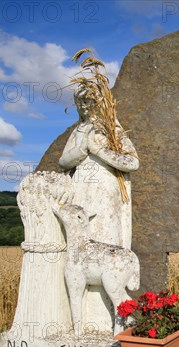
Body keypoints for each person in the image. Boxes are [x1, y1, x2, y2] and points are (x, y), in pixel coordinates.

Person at [59, 88, 139, 333]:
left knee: (107, 245)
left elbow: (133, 162)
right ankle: (85, 319)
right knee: (79, 252)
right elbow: (64, 161)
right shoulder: (80, 130)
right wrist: (84, 148)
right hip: (82, 192)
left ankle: (114, 320)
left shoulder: (112, 130)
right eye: (80, 104)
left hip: (107, 195)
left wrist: (100, 151)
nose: (84, 109)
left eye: (89, 104)